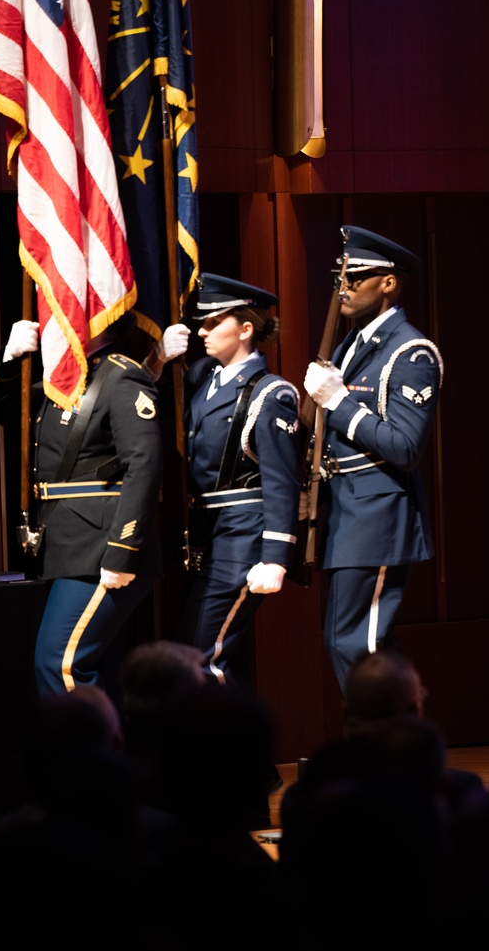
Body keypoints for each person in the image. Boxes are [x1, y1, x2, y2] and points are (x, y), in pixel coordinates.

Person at [303, 226, 443, 690]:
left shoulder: (411, 351)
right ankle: (387, 745)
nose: (343, 286)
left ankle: (389, 751)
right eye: (340, 276)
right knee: (349, 641)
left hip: (377, 511)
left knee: (358, 644)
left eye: (356, 276)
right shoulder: (353, 344)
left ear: (388, 283)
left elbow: (404, 448)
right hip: (345, 510)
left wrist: (340, 403)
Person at [0, 312, 162, 695]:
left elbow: (144, 465)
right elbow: (6, 411)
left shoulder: (122, 376)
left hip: (103, 547)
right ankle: (110, 753)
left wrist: (122, 550)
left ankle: (83, 755)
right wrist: (9, 359)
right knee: (94, 668)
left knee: (59, 665)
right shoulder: (65, 378)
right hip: (68, 545)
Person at [157, 274, 301, 683]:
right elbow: (150, 403)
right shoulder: (203, 377)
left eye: (212, 323)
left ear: (246, 328)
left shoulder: (271, 394)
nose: (201, 331)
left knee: (201, 658)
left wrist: (275, 557)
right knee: (190, 652)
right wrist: (159, 358)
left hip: (243, 534)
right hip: (206, 533)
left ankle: (229, 745)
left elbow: (281, 481)